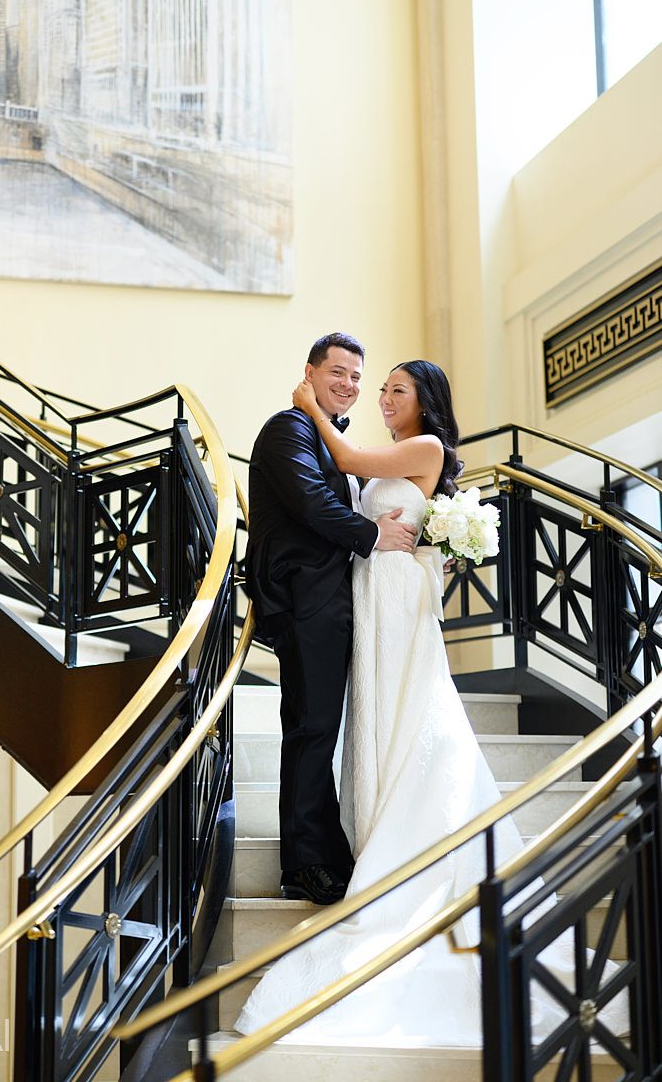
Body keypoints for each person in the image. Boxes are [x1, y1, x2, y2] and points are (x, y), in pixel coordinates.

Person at [236, 359, 583, 1045]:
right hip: (370, 592)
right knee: (369, 715)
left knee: (404, 708)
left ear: (425, 401)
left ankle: (410, 838)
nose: (382, 397)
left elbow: (342, 453)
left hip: (394, 599)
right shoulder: (392, 456)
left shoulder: (422, 448)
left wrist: (308, 404)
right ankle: (369, 826)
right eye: (378, 387)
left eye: (394, 388)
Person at [245, 333, 418, 907]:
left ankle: (322, 850)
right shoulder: (287, 430)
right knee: (312, 727)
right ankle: (306, 863)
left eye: (355, 378)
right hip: (305, 595)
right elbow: (310, 503)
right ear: (311, 373)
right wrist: (372, 533)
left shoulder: (325, 434)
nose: (348, 384)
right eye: (337, 373)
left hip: (333, 597)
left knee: (320, 725)